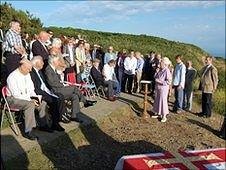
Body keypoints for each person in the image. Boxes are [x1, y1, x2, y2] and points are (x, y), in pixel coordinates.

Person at [7, 59, 52, 140]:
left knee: (42, 103)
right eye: (28, 68)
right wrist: (30, 100)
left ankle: (43, 125)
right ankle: (28, 130)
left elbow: (31, 89)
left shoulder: (27, 74)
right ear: (22, 67)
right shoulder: (12, 77)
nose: (30, 70)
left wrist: (35, 98)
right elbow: (16, 94)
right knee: (30, 104)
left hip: (26, 98)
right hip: (13, 99)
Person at [45, 54, 97, 123]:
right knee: (74, 88)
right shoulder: (48, 70)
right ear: (53, 62)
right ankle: (85, 102)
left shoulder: (53, 69)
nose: (59, 62)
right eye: (57, 61)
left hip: (60, 88)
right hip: (56, 91)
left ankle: (74, 116)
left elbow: (57, 81)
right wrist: (63, 85)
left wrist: (63, 82)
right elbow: (52, 83)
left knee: (75, 96)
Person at [30, 56, 68, 131]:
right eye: (42, 62)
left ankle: (59, 118)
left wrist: (51, 91)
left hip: (47, 91)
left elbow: (45, 84)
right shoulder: (32, 73)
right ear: (36, 63)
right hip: (39, 93)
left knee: (60, 96)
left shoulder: (39, 71)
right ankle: (55, 124)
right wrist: (47, 94)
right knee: (54, 100)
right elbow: (36, 89)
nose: (43, 63)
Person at [151, 57, 172, 122]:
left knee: (163, 101)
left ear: (165, 64)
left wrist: (160, 81)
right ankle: (157, 112)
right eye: (160, 62)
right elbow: (155, 77)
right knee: (157, 100)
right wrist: (156, 72)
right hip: (158, 88)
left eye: (161, 62)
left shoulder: (167, 71)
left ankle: (164, 116)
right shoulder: (160, 69)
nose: (160, 64)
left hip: (163, 89)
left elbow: (169, 81)